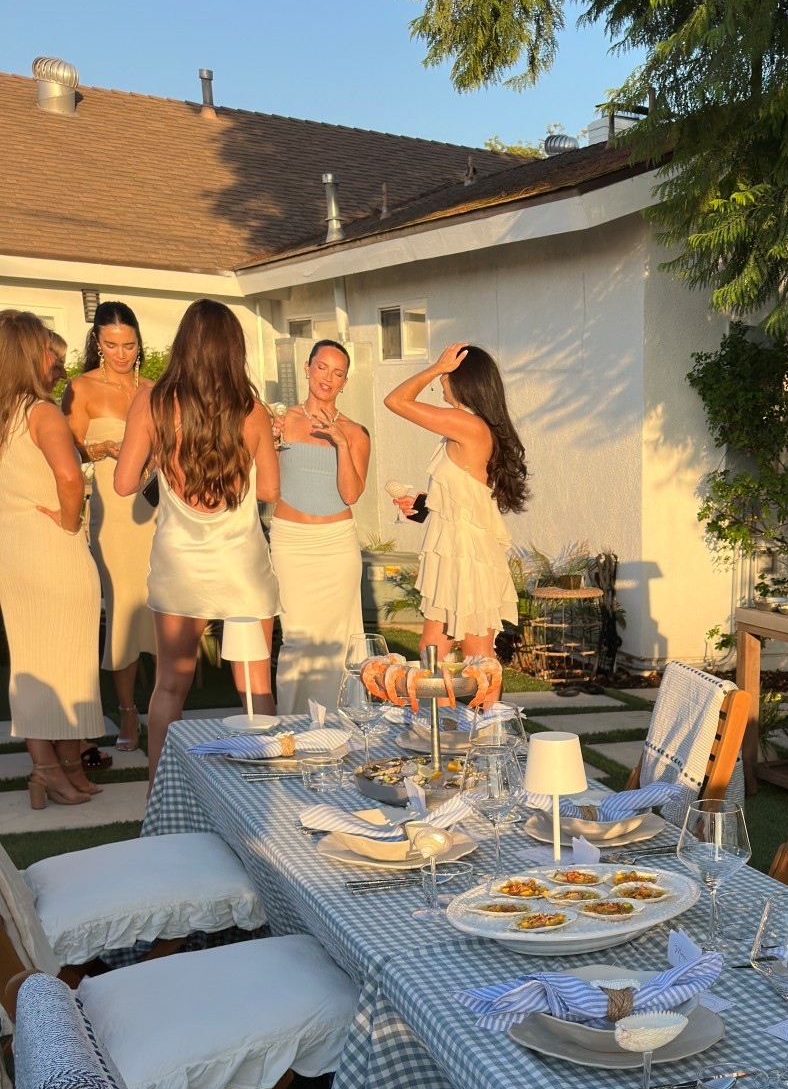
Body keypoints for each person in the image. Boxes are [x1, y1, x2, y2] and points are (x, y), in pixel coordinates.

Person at [115, 299, 279, 781]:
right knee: (255, 690)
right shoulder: (252, 411)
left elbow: (125, 484)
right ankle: (264, 791)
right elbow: (269, 490)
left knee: (170, 686)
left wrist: (161, 458)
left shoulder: (152, 402)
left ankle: (159, 792)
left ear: (185, 343)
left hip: (179, 563)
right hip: (240, 564)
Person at [0, 309, 108, 805]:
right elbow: (69, 478)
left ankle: (58, 765)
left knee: (36, 660)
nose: (55, 356)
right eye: (47, 345)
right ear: (28, 353)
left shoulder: (5, 413)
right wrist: (69, 521)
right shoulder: (40, 412)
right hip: (50, 546)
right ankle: (49, 769)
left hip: (14, 550)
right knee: (69, 659)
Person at [384, 341, 524, 661]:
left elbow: (395, 401)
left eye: (446, 376)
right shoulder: (466, 426)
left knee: (477, 659)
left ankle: (489, 714)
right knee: (432, 655)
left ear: (461, 379)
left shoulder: (467, 424)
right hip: (454, 551)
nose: (440, 382)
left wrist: (436, 366)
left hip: (467, 555)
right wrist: (421, 505)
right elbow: (464, 496)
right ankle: (442, 713)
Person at [65, 300, 155, 749]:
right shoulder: (80, 388)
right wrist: (95, 448)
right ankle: (126, 712)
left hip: (156, 512)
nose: (122, 354)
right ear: (98, 343)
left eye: (129, 345)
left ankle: (162, 705)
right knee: (122, 608)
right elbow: (62, 448)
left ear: (139, 344)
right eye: (112, 345)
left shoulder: (155, 388)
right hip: (113, 517)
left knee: (159, 606)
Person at [269, 339, 369, 713]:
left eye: (338, 372)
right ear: (307, 368)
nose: (328, 377)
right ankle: (292, 728)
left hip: (337, 544)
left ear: (345, 382)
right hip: (291, 542)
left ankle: (339, 729)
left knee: (338, 642)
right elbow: (261, 481)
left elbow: (350, 493)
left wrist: (341, 443)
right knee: (296, 641)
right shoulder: (280, 422)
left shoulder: (356, 432)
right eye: (322, 367)